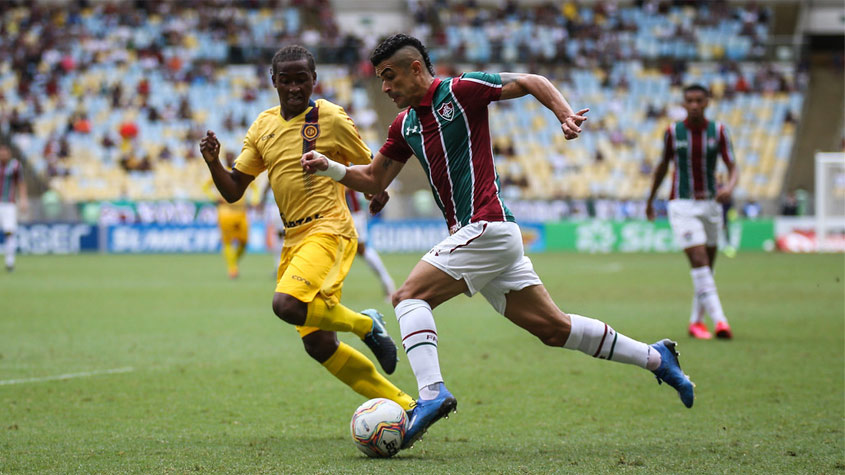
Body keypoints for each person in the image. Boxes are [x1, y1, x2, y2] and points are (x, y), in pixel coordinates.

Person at [302, 34, 695, 450]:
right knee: (553, 328)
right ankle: (656, 357)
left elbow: (530, 80)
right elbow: (375, 179)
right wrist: (331, 167)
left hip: (486, 226)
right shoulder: (405, 125)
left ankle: (432, 394)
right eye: (380, 79)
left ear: (415, 68)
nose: (385, 87)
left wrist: (564, 115)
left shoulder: (460, 90)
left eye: (389, 76)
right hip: (483, 236)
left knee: (408, 298)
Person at [199, 45, 416, 414]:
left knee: (286, 304)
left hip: (329, 229)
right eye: (287, 81)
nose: (295, 88)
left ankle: (365, 325)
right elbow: (234, 189)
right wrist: (213, 162)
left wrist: (379, 192)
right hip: (293, 239)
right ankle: (407, 405)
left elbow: (372, 166)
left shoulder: (330, 117)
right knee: (319, 345)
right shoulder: (263, 126)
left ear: (314, 80)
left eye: (302, 80)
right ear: (274, 82)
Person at [646, 84, 738, 341]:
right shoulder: (673, 132)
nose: (694, 105)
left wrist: (729, 187)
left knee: (707, 266)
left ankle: (696, 322)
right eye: (690, 101)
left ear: (707, 102)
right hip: (681, 204)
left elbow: (733, 166)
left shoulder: (718, 131)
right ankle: (721, 321)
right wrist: (650, 200)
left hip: (710, 204)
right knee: (699, 260)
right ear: (684, 104)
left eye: (699, 100)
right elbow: (663, 166)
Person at [203, 151, 260, 279]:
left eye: (231, 157)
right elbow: (205, 187)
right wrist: (214, 198)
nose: (229, 158)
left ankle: (232, 262)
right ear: (224, 158)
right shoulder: (220, 172)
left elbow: (255, 188)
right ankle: (232, 269)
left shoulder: (241, 171)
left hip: (241, 211)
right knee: (227, 241)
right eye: (227, 157)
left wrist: (254, 201)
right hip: (225, 211)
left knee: (244, 242)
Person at [345, 188, 396, 301]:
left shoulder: (342, 170)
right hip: (347, 215)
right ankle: (387, 283)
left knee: (361, 250)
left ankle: (388, 283)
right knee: (360, 251)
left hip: (351, 216)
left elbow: (345, 187)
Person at [0, 144, 27, 272]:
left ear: (9, 153)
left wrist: (23, 199)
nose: (3, 154)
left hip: (9, 203)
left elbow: (21, 183)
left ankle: (9, 263)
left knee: (9, 233)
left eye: (5, 152)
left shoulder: (15, 166)